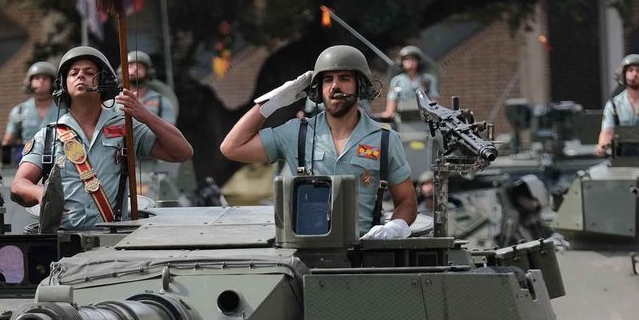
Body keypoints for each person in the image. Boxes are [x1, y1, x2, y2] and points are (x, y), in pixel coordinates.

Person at [221, 44, 418, 238]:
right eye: (327, 80)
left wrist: (396, 226)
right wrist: (272, 103)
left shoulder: (385, 139)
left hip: (363, 253)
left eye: (345, 78)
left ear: (361, 85)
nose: (335, 86)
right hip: (305, 253)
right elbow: (232, 147)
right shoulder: (297, 133)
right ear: (318, 88)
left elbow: (407, 201)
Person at [8, 46, 193, 231]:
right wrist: (40, 192)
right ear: (64, 85)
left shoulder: (126, 128)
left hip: (113, 239)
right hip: (63, 240)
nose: (80, 76)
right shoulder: (48, 135)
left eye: (89, 72)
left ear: (104, 82)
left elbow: (182, 152)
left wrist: (145, 115)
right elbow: (18, 185)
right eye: (73, 73)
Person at [2, 61, 59, 165]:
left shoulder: (64, 108)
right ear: (30, 82)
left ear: (53, 82)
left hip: (59, 158)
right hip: (29, 160)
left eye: (45, 78)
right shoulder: (19, 111)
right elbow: (8, 140)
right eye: (37, 78)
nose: (41, 81)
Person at [380, 45, 438, 119]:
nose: (410, 62)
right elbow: (392, 100)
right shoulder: (397, 81)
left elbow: (433, 99)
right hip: (403, 118)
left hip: (424, 118)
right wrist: (389, 112)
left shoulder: (428, 79)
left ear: (418, 62)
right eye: (406, 59)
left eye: (413, 59)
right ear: (401, 62)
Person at [124, 51, 178, 124]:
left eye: (140, 67)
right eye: (130, 66)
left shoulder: (161, 101)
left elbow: (170, 131)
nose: (135, 69)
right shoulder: (115, 102)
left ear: (148, 72)